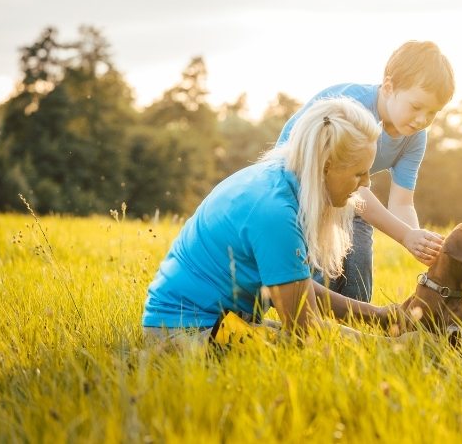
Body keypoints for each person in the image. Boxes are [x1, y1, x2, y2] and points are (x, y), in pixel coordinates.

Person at [142, 97, 399, 340]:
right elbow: (305, 330)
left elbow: (298, 287)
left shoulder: (280, 180)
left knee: (318, 341)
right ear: (325, 166)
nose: (367, 183)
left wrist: (383, 317)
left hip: (215, 322)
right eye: (359, 174)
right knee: (301, 348)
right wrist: (391, 347)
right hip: (186, 332)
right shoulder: (275, 212)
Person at [277, 41, 455, 302]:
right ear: (389, 87)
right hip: (298, 185)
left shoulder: (415, 137)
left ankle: (357, 317)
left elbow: (402, 202)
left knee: (359, 245)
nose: (422, 120)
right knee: (315, 265)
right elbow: (355, 189)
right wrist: (405, 235)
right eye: (416, 107)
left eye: (432, 112)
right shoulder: (355, 111)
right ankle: (310, 319)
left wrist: (418, 240)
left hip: (345, 193)